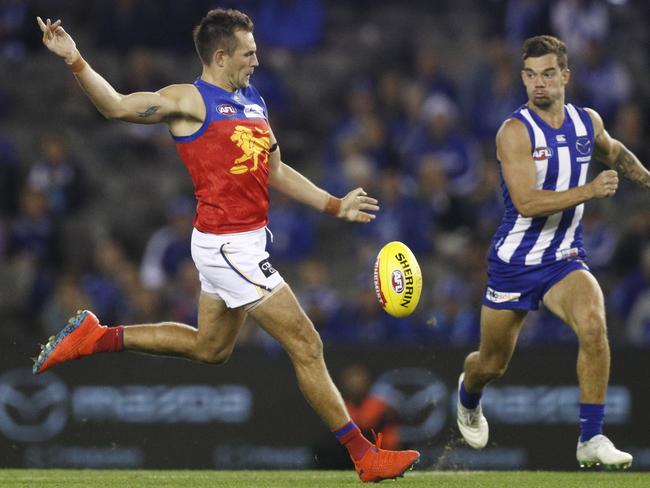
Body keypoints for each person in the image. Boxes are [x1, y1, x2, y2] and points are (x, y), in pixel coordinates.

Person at [33, 10, 420, 482]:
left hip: (242, 242)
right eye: (249, 53)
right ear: (221, 56)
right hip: (227, 247)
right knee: (307, 343)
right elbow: (115, 105)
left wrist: (334, 204)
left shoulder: (253, 100)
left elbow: (275, 171)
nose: (257, 60)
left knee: (210, 348)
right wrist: (74, 58)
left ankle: (97, 337)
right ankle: (364, 456)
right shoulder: (189, 100)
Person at [456, 35, 649, 470]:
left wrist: (646, 178)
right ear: (523, 78)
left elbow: (615, 153)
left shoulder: (587, 122)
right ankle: (468, 396)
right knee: (491, 364)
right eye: (530, 75)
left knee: (595, 327)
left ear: (565, 75)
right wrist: (591, 190)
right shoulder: (514, 131)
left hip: (564, 258)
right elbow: (526, 202)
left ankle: (591, 437)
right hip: (515, 264)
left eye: (547, 74)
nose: (538, 84)